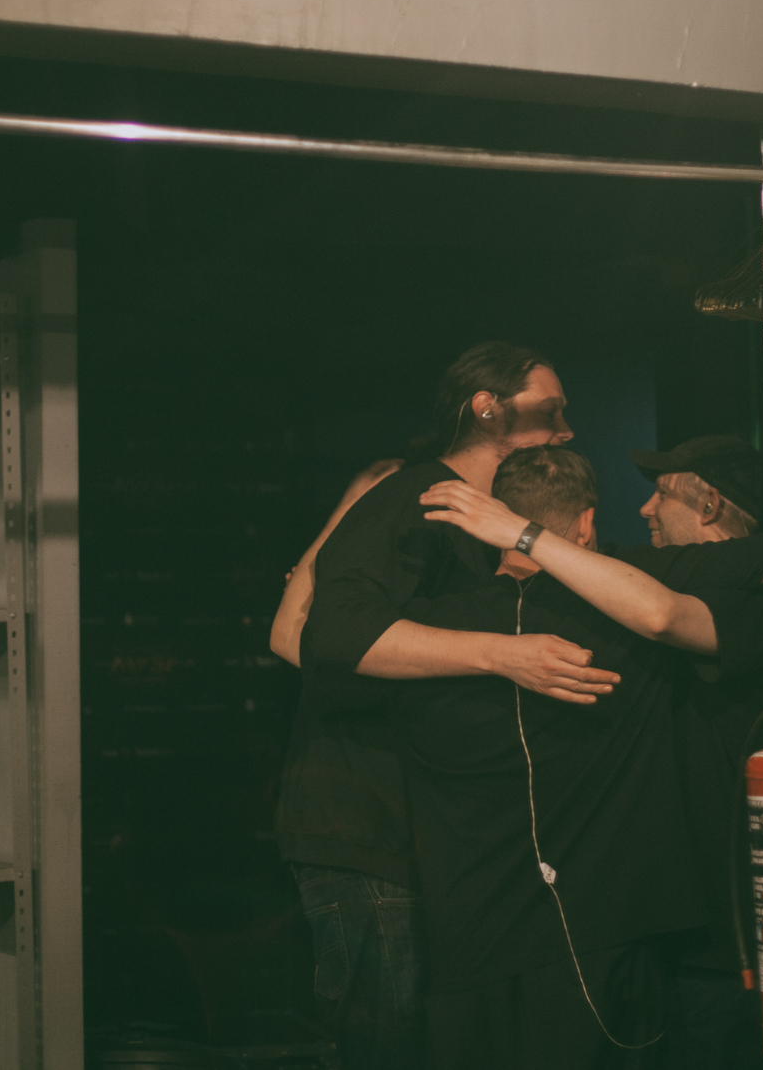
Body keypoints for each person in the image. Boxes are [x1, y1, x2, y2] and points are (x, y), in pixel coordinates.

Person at [325, 445, 763, 1070]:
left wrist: (362, 504)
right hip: (605, 943)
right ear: (587, 525)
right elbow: (666, 610)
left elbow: (307, 636)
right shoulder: (625, 630)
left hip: (467, 951)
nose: (644, 507)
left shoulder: (424, 635)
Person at [273, 343, 612, 1070]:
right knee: (384, 1043)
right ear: (488, 409)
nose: (568, 428)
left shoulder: (478, 520)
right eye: (551, 410)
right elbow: (330, 640)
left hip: (423, 833)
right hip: (362, 824)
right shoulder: (417, 498)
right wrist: (505, 653)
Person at [622, 435, 763, 1070]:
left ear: (710, 504)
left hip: (726, 945)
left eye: (661, 493)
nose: (645, 510)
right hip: (686, 933)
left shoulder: (752, 608)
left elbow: (667, 616)